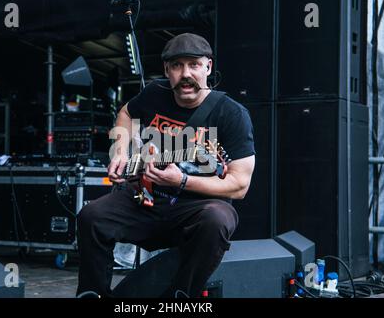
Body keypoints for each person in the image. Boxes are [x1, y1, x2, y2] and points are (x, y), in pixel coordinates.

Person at [76, 33, 255, 298]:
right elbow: (126, 112)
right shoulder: (154, 93)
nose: (185, 74)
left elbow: (239, 185)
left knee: (217, 220)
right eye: (177, 66)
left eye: (194, 64)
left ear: (208, 67)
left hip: (196, 204)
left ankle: (181, 296)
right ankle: (93, 295)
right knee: (91, 217)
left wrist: (182, 181)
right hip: (145, 198)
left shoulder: (231, 114)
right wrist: (119, 151)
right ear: (166, 70)